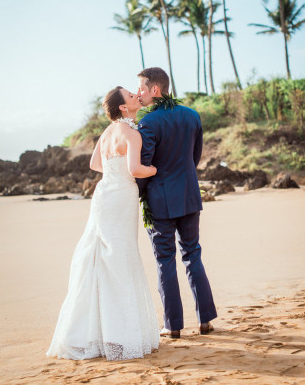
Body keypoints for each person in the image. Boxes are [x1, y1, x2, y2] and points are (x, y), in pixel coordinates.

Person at [46, 87, 159, 361]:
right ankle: (119, 335)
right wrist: (156, 169)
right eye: (131, 95)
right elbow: (135, 170)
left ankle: (94, 332)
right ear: (123, 107)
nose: (136, 96)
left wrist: (114, 171)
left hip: (104, 195)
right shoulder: (131, 133)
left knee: (100, 257)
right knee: (120, 258)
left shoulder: (108, 132)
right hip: (121, 197)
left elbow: (96, 163)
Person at [137, 67, 217, 338]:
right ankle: (205, 320)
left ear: (155, 90)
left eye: (142, 89)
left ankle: (173, 326)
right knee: (193, 254)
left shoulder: (148, 123)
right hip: (189, 195)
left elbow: (145, 164)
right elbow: (194, 159)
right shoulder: (192, 116)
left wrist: (140, 195)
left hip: (160, 201)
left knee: (165, 261)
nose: (140, 93)